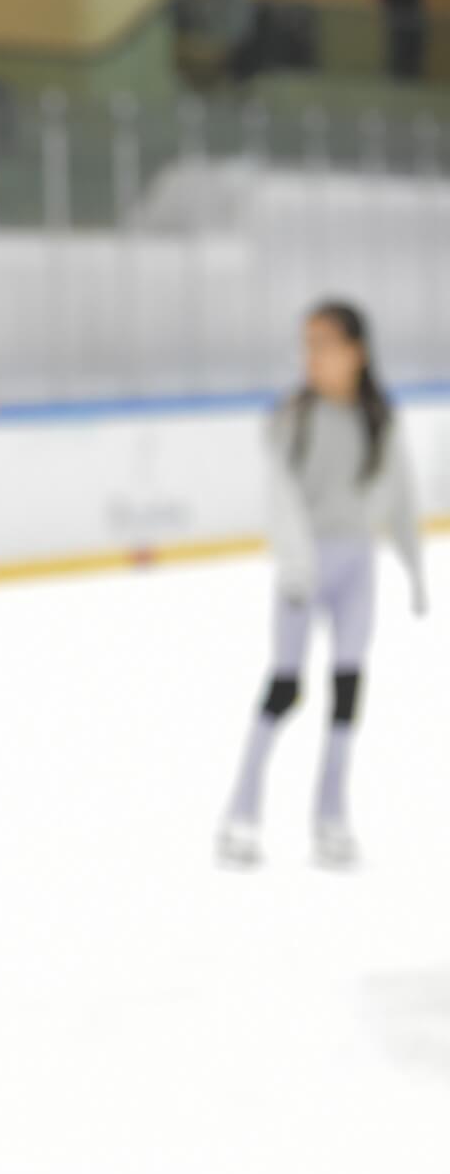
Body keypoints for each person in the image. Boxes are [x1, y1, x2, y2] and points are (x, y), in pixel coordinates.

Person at [218, 301, 427, 871]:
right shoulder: (294, 417)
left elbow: (401, 489)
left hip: (356, 563)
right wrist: (294, 559)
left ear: (356, 351)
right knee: (286, 687)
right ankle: (243, 810)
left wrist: (414, 564)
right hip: (303, 567)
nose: (312, 355)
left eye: (324, 343)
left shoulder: (379, 416)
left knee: (347, 686)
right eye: (306, 343)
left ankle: (330, 813)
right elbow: (278, 495)